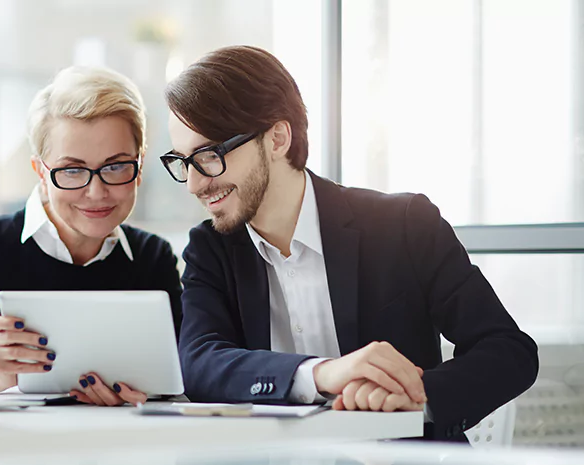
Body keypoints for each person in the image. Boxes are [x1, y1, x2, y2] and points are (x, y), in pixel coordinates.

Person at [161, 45, 538, 441]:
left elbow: (509, 350)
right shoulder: (210, 249)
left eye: (207, 155)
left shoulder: (404, 225)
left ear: (276, 138)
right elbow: (200, 361)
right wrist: (320, 373)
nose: (194, 183)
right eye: (182, 161)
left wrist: (415, 396)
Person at [0, 66, 183, 406]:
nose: (97, 191)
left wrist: (146, 393)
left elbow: (178, 376)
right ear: (40, 171)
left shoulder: (152, 258)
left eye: (116, 166)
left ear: (140, 166)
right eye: (72, 170)